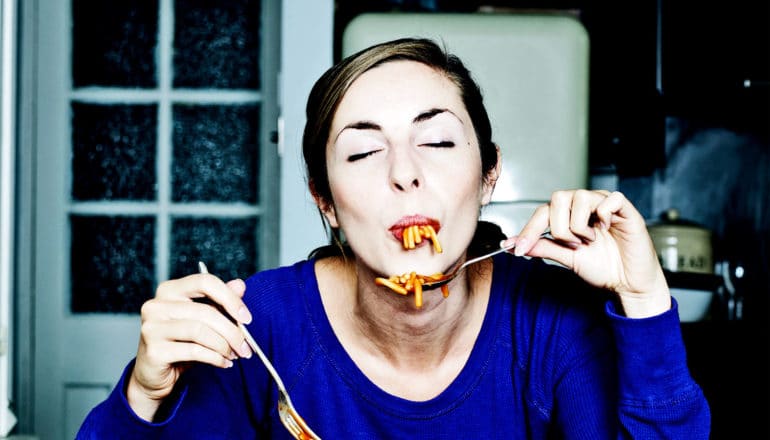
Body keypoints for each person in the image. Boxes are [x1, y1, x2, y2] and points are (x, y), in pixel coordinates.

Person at [77, 37, 710, 438]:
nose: (405, 172)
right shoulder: (252, 327)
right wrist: (144, 397)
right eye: (362, 151)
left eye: (436, 142)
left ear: (489, 174)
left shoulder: (551, 319)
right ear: (324, 200)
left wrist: (645, 301)